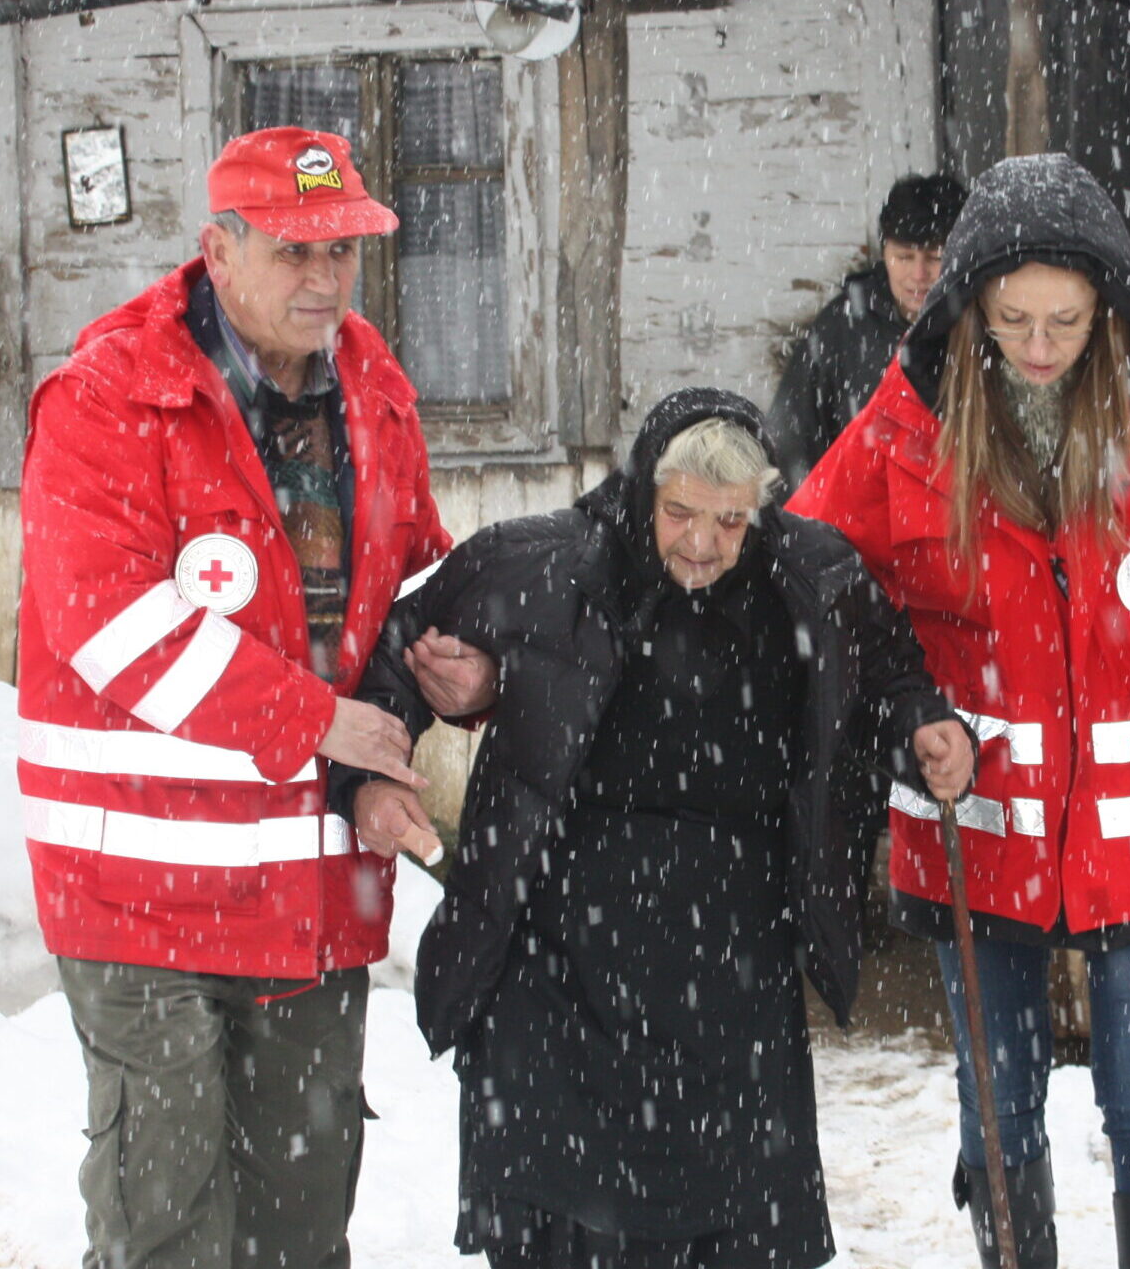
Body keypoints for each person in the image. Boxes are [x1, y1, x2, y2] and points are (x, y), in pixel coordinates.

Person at [787, 154, 1130, 1269]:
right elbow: (812, 569)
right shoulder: (906, 420)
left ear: (1111, 305)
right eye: (1010, 317)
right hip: (981, 829)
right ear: (968, 305)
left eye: (1064, 320)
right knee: (997, 1103)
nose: (1036, 344)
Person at [334, 389, 975, 1269]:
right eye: (680, 513)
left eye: (730, 521)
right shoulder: (546, 565)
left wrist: (923, 729)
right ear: (644, 493)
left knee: (732, 1230)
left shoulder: (811, 578)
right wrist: (370, 774)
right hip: (560, 948)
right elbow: (399, 645)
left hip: (731, 958)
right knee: (567, 1229)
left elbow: (889, 673)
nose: (704, 544)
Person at [19, 125, 497, 1269]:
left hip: (312, 889)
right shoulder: (108, 394)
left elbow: (410, 582)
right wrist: (317, 723)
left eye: (344, 250)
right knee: (171, 1227)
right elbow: (113, 626)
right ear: (217, 251)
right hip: (140, 891)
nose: (325, 279)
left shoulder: (372, 382)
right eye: (294, 250)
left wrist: (456, 682)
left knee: (300, 1223)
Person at [765, 172, 967, 486]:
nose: (918, 274)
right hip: (859, 521)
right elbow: (792, 444)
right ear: (884, 251)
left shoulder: (984, 324)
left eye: (935, 258)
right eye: (903, 257)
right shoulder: (843, 327)